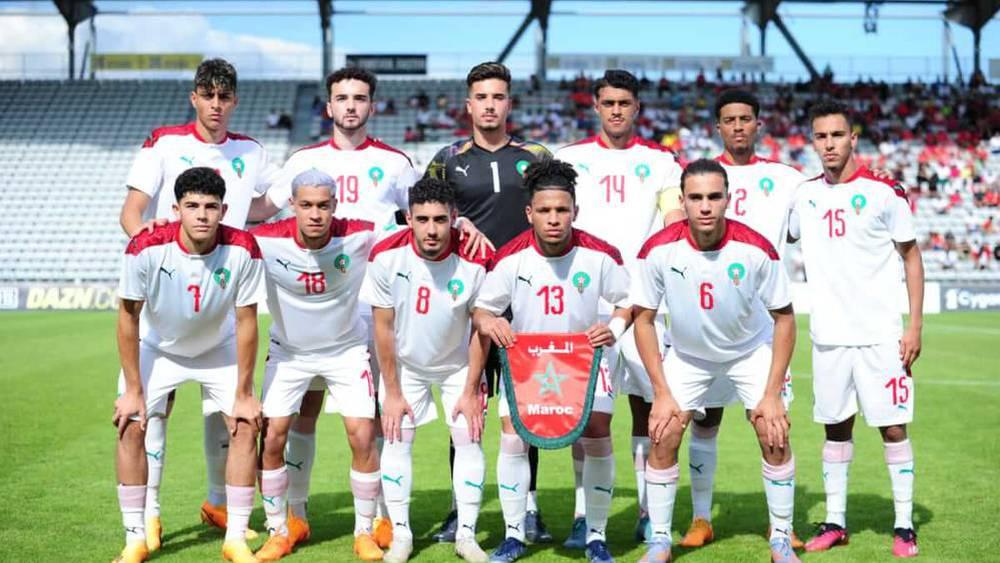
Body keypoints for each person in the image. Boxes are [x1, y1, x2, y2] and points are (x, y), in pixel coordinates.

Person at [255, 67, 489, 549]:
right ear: (328, 107)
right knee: (304, 410)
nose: (351, 106)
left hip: (380, 304)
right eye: (342, 98)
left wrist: (463, 225)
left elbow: (428, 210)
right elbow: (262, 210)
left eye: (360, 98)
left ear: (372, 106)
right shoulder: (304, 159)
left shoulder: (397, 162)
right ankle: (295, 513)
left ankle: (383, 516)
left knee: (379, 415)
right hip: (320, 302)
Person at [118, 57, 277, 551]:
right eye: (206, 95)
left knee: (230, 417)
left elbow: (268, 205)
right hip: (169, 285)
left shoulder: (251, 151)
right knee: (148, 414)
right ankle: (149, 519)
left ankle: (222, 508)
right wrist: (156, 250)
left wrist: (250, 225)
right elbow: (132, 212)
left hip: (222, 291)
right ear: (194, 98)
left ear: (234, 100)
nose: (215, 104)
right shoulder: (165, 141)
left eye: (224, 96)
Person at [631, 159, 799, 563]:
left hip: (749, 351)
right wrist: (660, 391)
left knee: (773, 433)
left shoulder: (757, 248)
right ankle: (659, 541)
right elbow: (643, 318)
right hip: (689, 357)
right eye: (695, 198)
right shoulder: (658, 249)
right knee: (663, 432)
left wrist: (773, 392)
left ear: (728, 199)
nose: (705, 206)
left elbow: (785, 318)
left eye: (713, 197)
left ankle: (780, 537)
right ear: (683, 201)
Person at [473, 160, 630, 563]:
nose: (554, 219)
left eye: (562, 210)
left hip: (586, 360)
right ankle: (513, 534)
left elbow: (628, 303)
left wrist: (613, 326)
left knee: (596, 435)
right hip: (528, 363)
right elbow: (482, 311)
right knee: (512, 437)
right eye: (545, 211)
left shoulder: (600, 254)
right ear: (530, 213)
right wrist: (493, 324)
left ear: (575, 210)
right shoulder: (510, 258)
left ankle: (596, 535)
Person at [553, 69, 683, 547]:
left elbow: (673, 225)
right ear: (595, 106)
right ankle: (585, 516)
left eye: (624, 103)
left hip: (645, 308)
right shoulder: (570, 159)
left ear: (637, 107)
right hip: (588, 307)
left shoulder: (662, 162)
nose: (616, 111)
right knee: (591, 417)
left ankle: (650, 511)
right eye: (608, 103)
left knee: (649, 411)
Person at [424, 61, 553, 544]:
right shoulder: (447, 157)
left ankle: (531, 507)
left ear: (509, 103)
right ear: (469, 104)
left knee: (524, 409)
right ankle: (462, 509)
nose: (490, 105)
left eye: (499, 96)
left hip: (525, 297)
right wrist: (458, 224)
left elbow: (558, 202)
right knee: (469, 403)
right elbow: (420, 211)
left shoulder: (536, 154)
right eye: (482, 96)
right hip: (468, 298)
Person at [789, 101, 923, 558]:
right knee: (835, 430)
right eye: (820, 136)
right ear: (813, 141)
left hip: (882, 336)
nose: (828, 144)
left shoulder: (885, 193)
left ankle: (904, 525)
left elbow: (911, 255)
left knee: (892, 428)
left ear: (853, 138)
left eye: (836, 135)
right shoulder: (802, 195)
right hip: (828, 336)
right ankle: (834, 521)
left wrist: (915, 326)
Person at [112, 167, 264, 563]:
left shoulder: (243, 248)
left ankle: (235, 539)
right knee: (130, 424)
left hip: (219, 350)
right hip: (159, 349)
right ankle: (136, 537)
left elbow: (247, 320)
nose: (201, 215)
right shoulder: (145, 246)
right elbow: (128, 316)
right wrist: (132, 390)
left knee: (247, 424)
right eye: (192, 206)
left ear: (224, 210)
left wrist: (245, 393)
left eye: (210, 207)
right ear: (176, 208)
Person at [677, 89, 807, 550]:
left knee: (771, 423)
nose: (737, 127)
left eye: (745, 119)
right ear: (718, 127)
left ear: (758, 124)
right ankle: (700, 518)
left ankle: (781, 524)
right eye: (729, 120)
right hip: (708, 324)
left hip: (763, 331)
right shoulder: (697, 176)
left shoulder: (787, 178)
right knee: (704, 422)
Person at [250, 169, 382, 561]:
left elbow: (411, 228)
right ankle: (280, 528)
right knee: (273, 436)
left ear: (335, 206)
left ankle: (365, 530)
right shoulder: (264, 240)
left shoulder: (359, 233)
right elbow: (214, 236)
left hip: (346, 350)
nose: (315, 214)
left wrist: (460, 222)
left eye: (323, 205)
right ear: (292, 206)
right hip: (290, 353)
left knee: (361, 435)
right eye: (306, 205)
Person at [364, 178, 493, 563]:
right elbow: (382, 328)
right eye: (422, 219)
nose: (432, 229)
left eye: (440, 219)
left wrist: (471, 388)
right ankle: (402, 534)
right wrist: (392, 392)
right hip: (406, 367)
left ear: (455, 218)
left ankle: (467, 535)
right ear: (408, 219)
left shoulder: (476, 257)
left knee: (469, 440)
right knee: (397, 440)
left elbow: (480, 329)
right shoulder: (386, 256)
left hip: (459, 366)